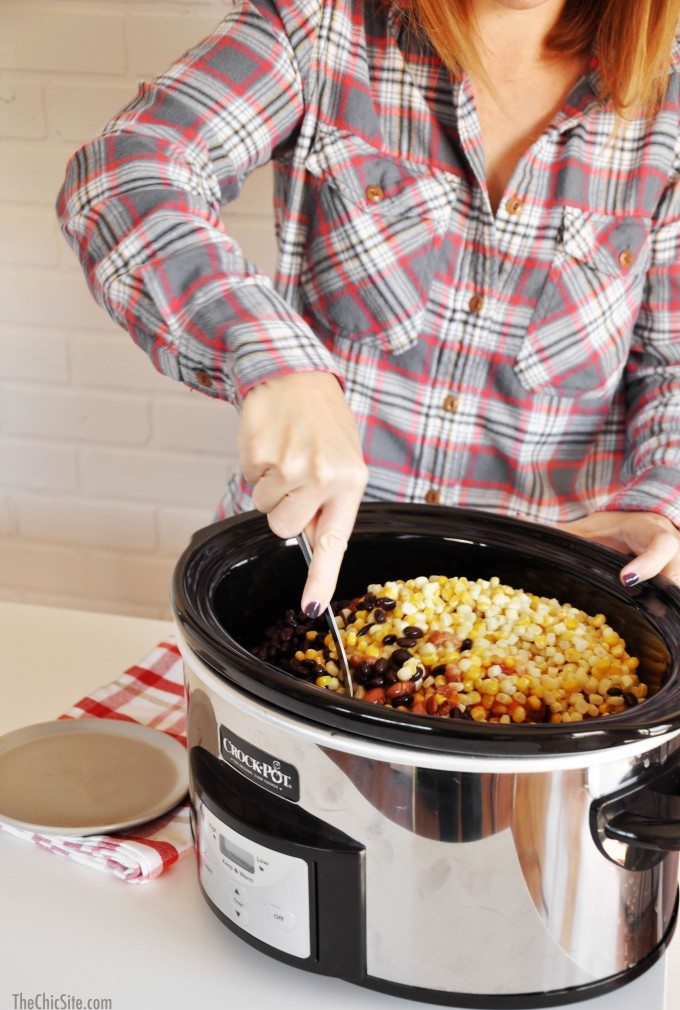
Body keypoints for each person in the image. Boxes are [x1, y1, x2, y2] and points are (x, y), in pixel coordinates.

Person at [57, 0, 680, 618]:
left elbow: (670, 365)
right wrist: (276, 361)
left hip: (542, 611)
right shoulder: (323, 22)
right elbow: (126, 171)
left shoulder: (670, 100)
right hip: (300, 574)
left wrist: (661, 503)